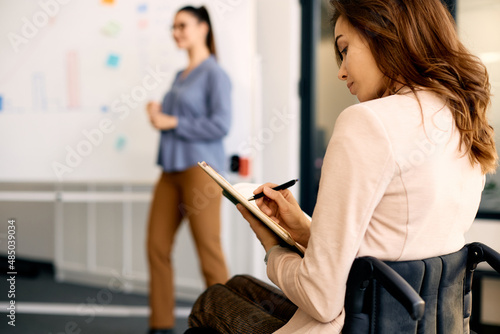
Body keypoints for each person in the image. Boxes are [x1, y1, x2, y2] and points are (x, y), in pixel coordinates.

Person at [186, 0, 498, 332]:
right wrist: (303, 231)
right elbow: (389, 243)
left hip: (351, 324)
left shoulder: (367, 122)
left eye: (345, 49)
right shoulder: (462, 120)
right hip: (425, 323)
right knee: (238, 286)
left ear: (385, 33)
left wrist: (272, 246)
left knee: (212, 300)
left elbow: (321, 299)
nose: (341, 71)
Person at [145, 5, 231, 334]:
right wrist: (157, 112)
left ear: (202, 28)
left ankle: (226, 325)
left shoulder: (215, 74)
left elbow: (221, 125)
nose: (176, 32)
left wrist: (172, 120)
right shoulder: (179, 75)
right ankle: (160, 325)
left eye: (182, 25)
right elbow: (175, 119)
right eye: (173, 27)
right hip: (170, 169)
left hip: (200, 171)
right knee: (156, 245)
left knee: (209, 251)